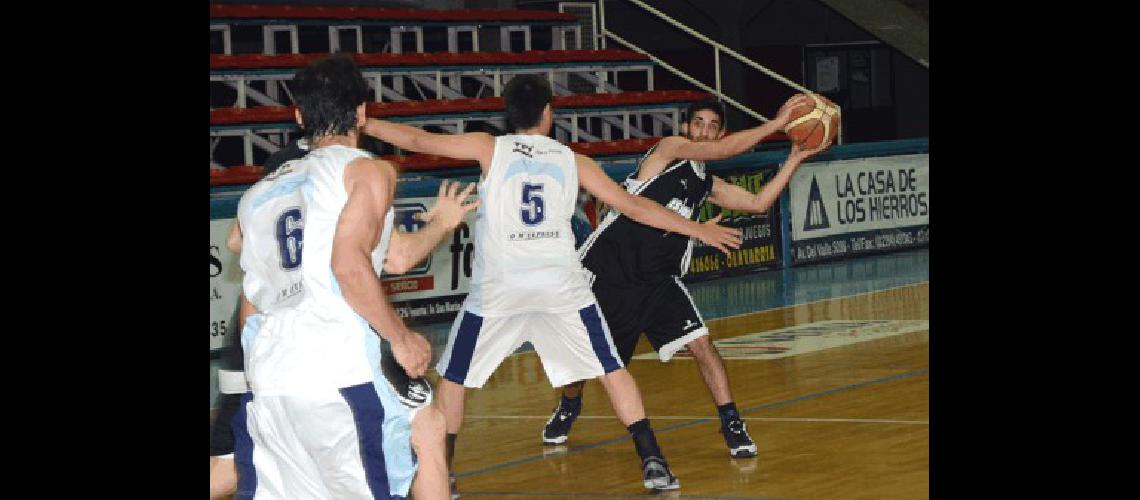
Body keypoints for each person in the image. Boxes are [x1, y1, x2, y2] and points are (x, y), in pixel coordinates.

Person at [361, 74, 744, 492]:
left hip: (500, 288)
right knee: (611, 370)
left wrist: (365, 124)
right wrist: (697, 229)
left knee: (455, 379)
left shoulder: (487, 147)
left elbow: (420, 141)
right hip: (561, 287)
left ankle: (445, 474)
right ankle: (653, 460)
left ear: (509, 115)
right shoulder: (573, 160)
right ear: (548, 113)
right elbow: (634, 206)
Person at [228, 54, 478, 499]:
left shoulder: (258, 192)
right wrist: (400, 337)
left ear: (299, 116)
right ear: (362, 113)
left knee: (428, 424)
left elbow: (237, 244)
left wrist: (440, 225)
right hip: (337, 372)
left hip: (270, 378)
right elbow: (348, 263)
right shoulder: (367, 170)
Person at [541, 96, 832, 458]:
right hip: (610, 275)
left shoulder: (706, 185)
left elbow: (758, 204)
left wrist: (794, 159)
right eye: (698, 123)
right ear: (686, 128)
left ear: (720, 131)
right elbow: (725, 152)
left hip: (660, 282)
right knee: (584, 363)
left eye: (712, 126)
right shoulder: (668, 151)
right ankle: (569, 404)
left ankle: (732, 423)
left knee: (702, 344)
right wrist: (776, 124)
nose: (704, 131)